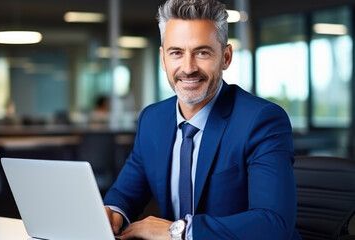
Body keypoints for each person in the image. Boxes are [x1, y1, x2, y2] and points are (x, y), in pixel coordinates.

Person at [104, 0, 302, 239]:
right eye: (176, 53)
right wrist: (113, 213)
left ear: (226, 57)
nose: (188, 68)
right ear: (163, 59)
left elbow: (274, 223)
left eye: (202, 52)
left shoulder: (261, 121)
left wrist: (178, 232)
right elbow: (125, 194)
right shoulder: (152, 119)